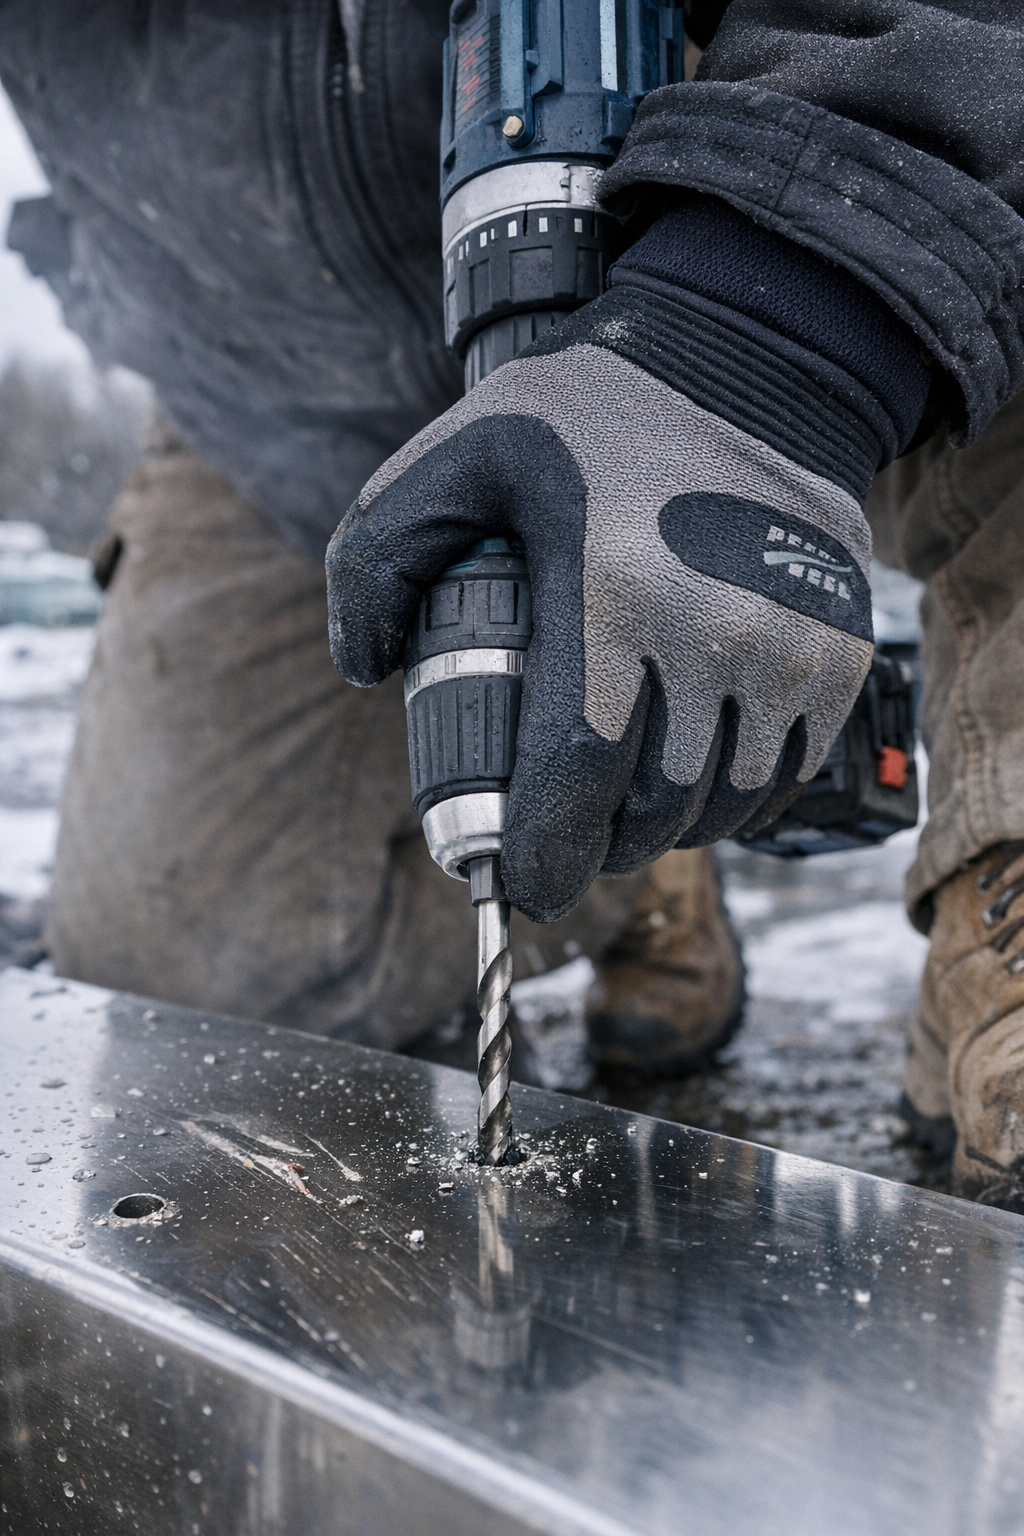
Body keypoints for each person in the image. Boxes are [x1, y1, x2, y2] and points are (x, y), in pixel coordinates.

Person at [2, 2, 1023, 1207]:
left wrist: (767, 335)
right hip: (282, 409)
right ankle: (637, 853)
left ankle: (991, 881)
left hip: (780, 222)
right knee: (185, 977)